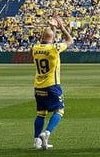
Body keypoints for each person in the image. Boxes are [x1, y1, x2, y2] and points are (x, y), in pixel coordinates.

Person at [31, 16, 72, 150]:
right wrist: (62, 28)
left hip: (38, 86)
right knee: (59, 110)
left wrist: (52, 28)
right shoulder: (54, 49)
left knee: (41, 113)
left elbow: (48, 39)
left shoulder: (35, 48)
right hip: (52, 85)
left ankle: (36, 140)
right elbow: (70, 40)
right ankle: (46, 133)